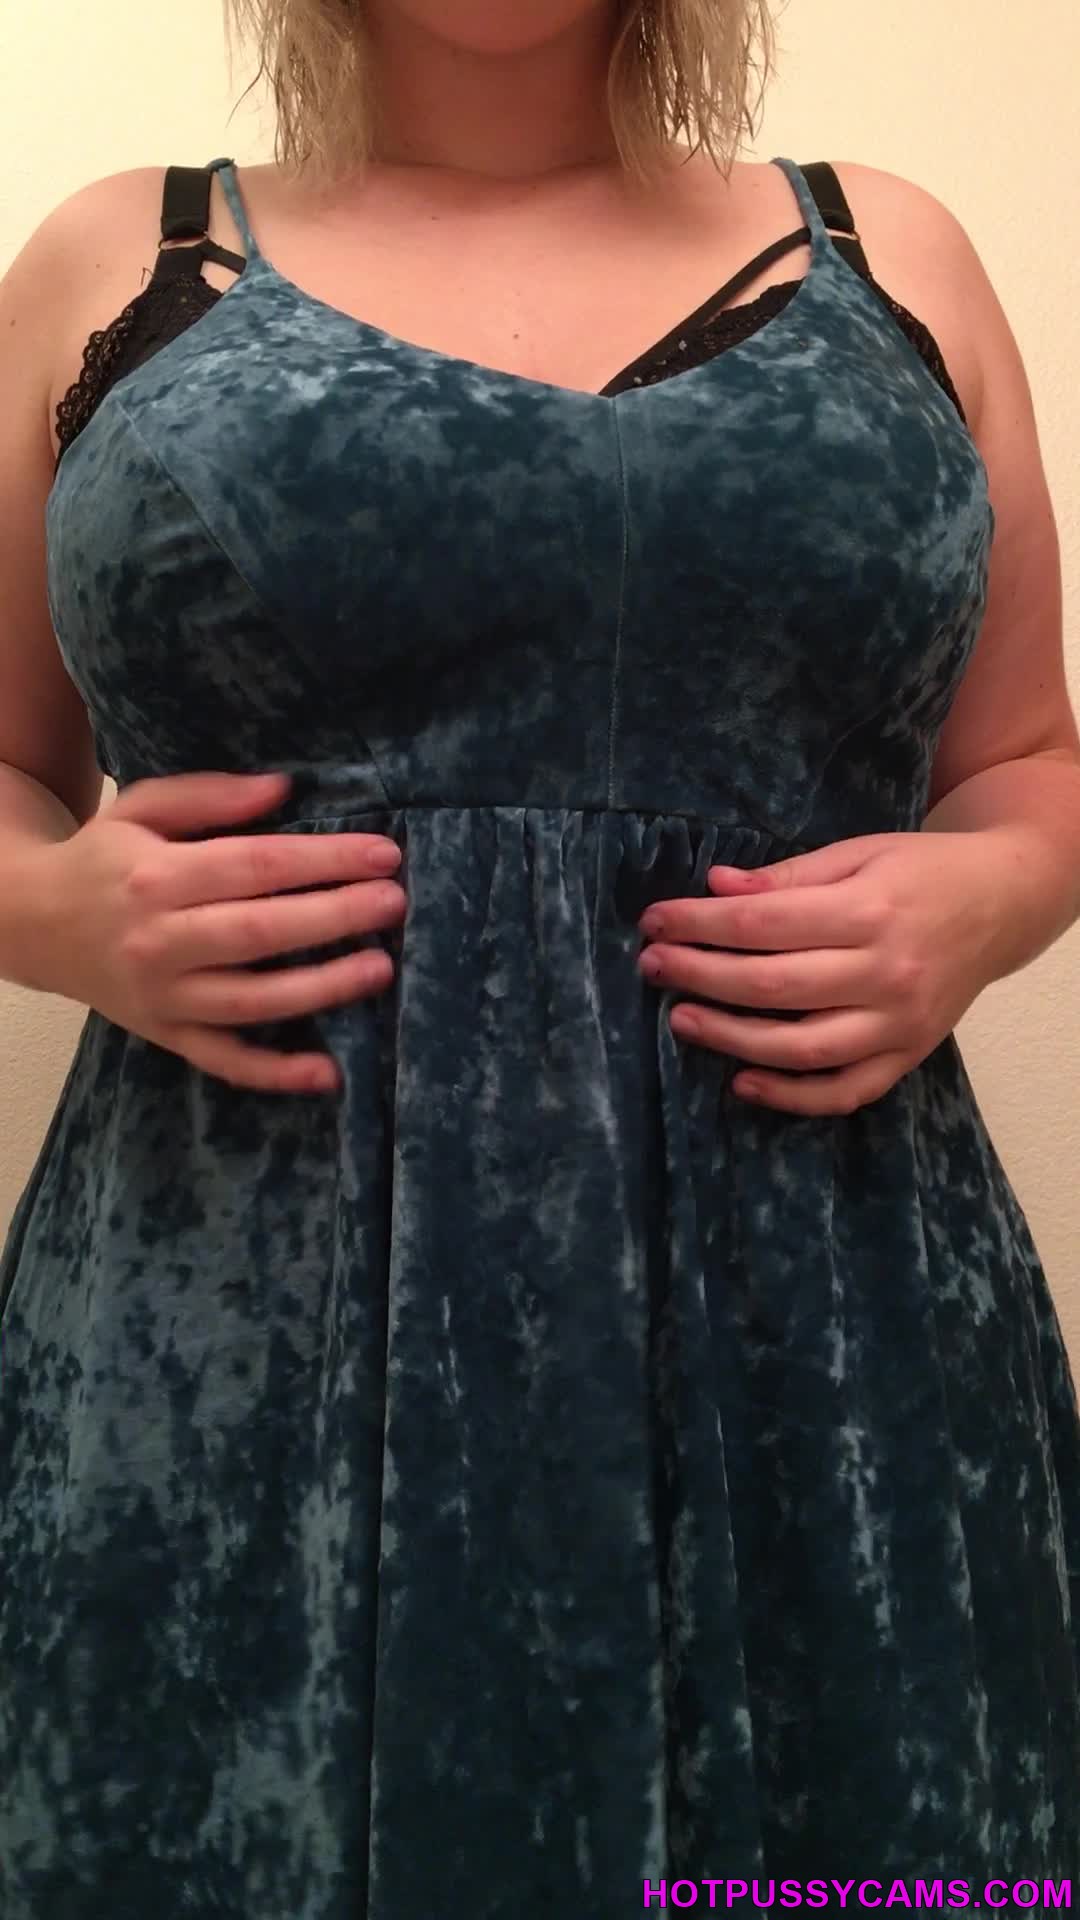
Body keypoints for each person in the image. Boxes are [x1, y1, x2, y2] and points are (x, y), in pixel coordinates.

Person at [1, 0, 1078, 1914]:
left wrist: (986, 897)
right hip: (226, 1348)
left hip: (832, 1346)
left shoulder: (893, 252)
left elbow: (1029, 765)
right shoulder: (115, 260)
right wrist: (56, 909)